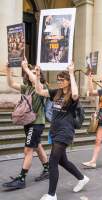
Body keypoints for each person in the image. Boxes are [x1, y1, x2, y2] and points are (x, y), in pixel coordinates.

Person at [35, 64, 89, 200]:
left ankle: (51, 194)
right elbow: (39, 91)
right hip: (55, 130)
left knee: (53, 161)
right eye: (58, 79)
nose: (59, 81)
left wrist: (71, 73)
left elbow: (76, 94)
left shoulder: (72, 96)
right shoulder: (56, 92)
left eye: (62, 80)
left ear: (68, 81)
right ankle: (82, 178)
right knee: (62, 161)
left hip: (65, 131)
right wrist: (36, 76)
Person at [2, 60, 49, 190]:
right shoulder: (27, 88)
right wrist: (8, 70)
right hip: (28, 122)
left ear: (39, 75)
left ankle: (22, 178)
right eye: (31, 73)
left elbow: (35, 81)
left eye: (35, 73)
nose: (32, 75)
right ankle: (47, 169)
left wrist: (27, 68)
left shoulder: (42, 87)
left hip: (37, 123)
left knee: (28, 150)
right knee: (37, 146)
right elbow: (11, 84)